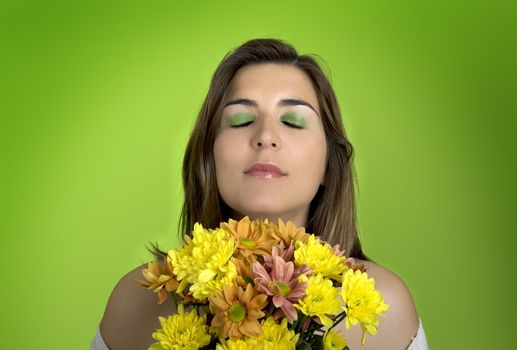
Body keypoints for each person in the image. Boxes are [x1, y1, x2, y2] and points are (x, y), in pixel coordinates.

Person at [93, 38, 429, 350]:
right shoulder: (135, 301)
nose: (266, 136)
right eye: (240, 120)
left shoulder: (386, 307)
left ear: (330, 164)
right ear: (208, 157)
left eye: (294, 121)